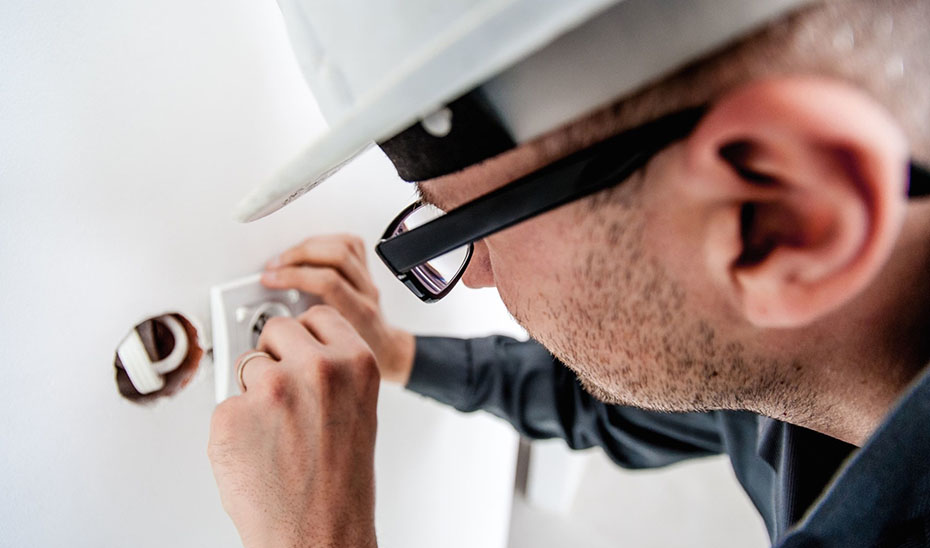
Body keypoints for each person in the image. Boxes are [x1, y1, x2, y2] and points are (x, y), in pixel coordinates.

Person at [206, 1, 930, 547]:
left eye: (470, 225)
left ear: (779, 214)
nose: (477, 276)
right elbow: (599, 397)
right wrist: (397, 356)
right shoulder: (790, 361)